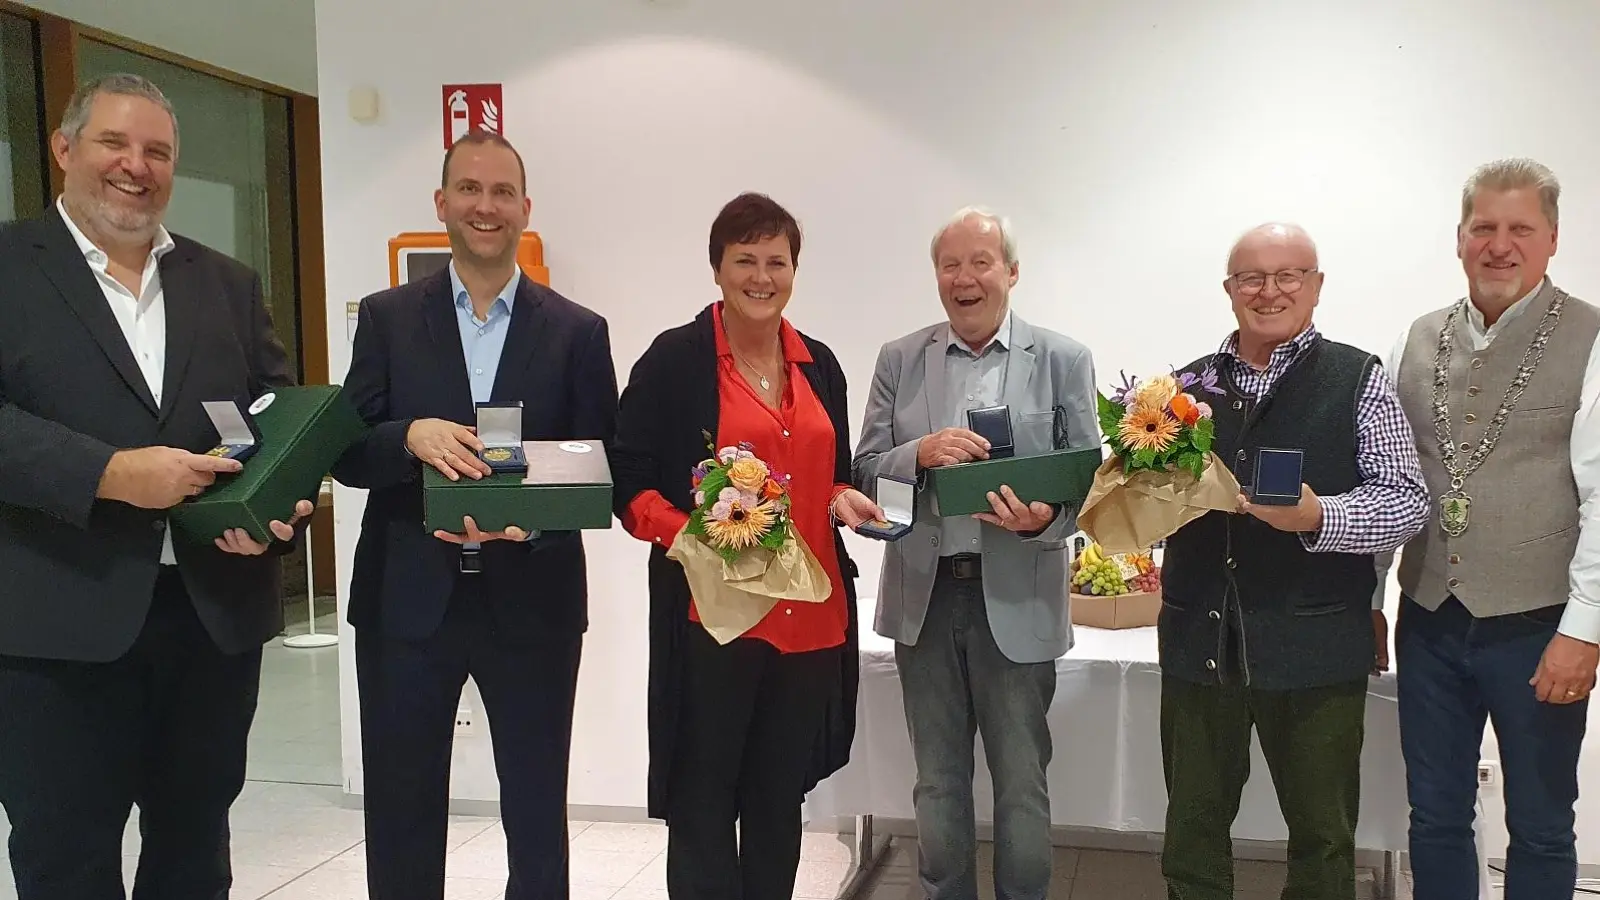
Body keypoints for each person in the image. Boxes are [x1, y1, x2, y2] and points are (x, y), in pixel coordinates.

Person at [0, 73, 314, 900]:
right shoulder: (7, 267)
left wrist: (282, 512)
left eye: (157, 151)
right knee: (66, 858)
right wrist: (107, 474)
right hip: (57, 629)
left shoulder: (227, 285)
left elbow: (275, 421)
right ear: (65, 149)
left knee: (193, 851)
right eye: (115, 143)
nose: (135, 166)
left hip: (209, 622)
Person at [331, 130, 618, 900]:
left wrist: (537, 523)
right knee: (400, 808)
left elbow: (604, 471)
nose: (484, 207)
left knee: (534, 811)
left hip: (533, 597)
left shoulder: (577, 331)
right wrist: (408, 436)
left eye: (501, 193)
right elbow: (347, 452)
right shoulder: (389, 318)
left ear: (525, 207)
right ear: (441, 203)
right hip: (406, 601)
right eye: (469, 189)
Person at [609, 192, 878, 900]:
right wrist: (695, 536)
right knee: (702, 804)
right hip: (715, 622)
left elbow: (830, 476)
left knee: (775, 801)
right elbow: (628, 485)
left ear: (794, 270)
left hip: (811, 622)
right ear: (718, 269)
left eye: (777, 261)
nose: (762, 276)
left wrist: (840, 499)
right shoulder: (676, 361)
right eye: (745, 260)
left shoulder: (818, 363)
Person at [1156, 222, 1429, 900]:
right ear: (1229, 290)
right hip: (1200, 642)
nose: (1269, 290)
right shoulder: (1180, 390)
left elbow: (1406, 502)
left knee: (1322, 842)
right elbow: (1152, 502)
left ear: (1316, 286)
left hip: (1316, 649)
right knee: (1191, 837)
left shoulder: (1357, 378)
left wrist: (1319, 518)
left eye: (1289, 276)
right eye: (1252, 277)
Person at [851, 207, 1096, 900]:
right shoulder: (901, 358)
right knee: (937, 782)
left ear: (1011, 272)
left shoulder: (1062, 359)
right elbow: (865, 467)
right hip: (925, 599)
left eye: (980, 262)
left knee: (1022, 783)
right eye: (949, 265)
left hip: (1017, 594)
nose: (964, 278)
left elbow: (1087, 482)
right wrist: (917, 453)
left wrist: (1043, 520)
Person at [1377, 158, 1600, 900]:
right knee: (1434, 815)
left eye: (1519, 229)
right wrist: (1372, 600)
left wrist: (1585, 630)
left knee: (1540, 822)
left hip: (1539, 623)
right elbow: (1390, 478)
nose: (1499, 245)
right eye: (1485, 228)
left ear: (1552, 240)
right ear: (1461, 238)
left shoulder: (1590, 336)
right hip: (1430, 616)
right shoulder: (1418, 335)